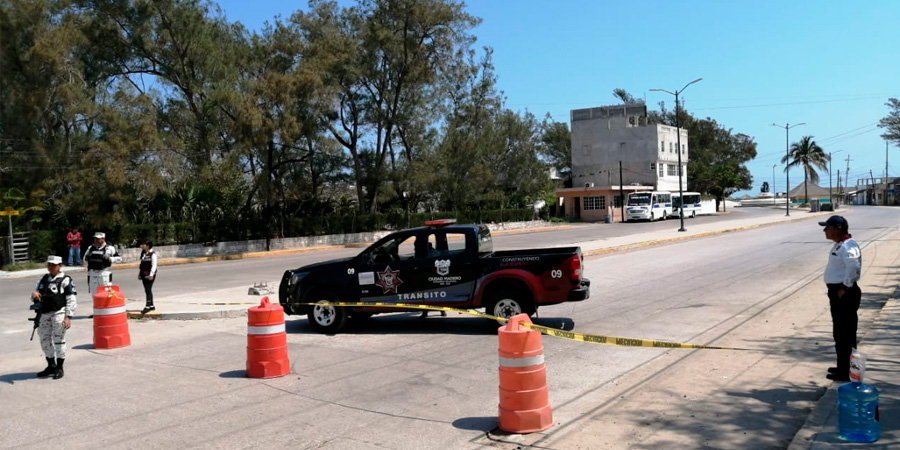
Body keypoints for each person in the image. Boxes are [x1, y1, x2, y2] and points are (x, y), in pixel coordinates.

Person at [819, 215, 862, 382]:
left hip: (844, 293)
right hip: (838, 292)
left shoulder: (848, 246)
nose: (825, 230)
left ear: (838, 228)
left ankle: (846, 372)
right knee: (840, 333)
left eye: (828, 227)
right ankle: (843, 366)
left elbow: (854, 266)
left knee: (845, 333)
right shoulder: (840, 244)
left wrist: (845, 287)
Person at [31, 256, 77, 379]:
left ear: (60, 266)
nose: (51, 267)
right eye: (49, 264)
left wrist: (68, 317)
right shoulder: (43, 280)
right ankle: (51, 365)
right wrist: (34, 295)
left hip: (59, 313)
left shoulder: (66, 280)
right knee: (44, 339)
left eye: (54, 265)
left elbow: (71, 299)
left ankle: (60, 367)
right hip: (44, 314)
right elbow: (37, 296)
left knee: (59, 340)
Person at [82, 232, 122, 301]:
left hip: (104, 273)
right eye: (95, 239)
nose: (96, 240)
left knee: (106, 293)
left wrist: (110, 258)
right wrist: (89, 257)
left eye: (98, 239)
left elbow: (119, 259)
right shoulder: (90, 248)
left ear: (103, 239)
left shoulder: (109, 248)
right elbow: (84, 258)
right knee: (94, 294)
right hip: (93, 273)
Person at [138, 239, 158, 314]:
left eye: (144, 244)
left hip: (149, 275)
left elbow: (154, 265)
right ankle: (151, 305)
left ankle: (147, 306)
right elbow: (142, 266)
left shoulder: (152, 254)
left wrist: (151, 275)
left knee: (148, 289)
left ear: (148, 246)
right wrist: (140, 274)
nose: (142, 246)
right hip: (144, 274)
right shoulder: (144, 254)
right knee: (147, 290)